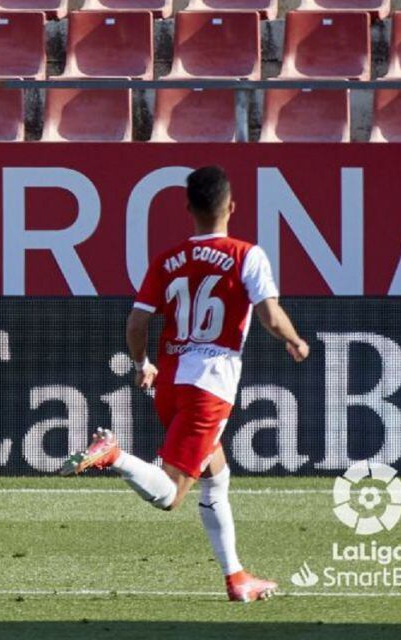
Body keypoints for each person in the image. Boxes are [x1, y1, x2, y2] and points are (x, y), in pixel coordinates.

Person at [60, 165, 310, 602]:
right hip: (210, 385)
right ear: (231, 206)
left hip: (171, 381)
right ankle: (114, 455)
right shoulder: (246, 255)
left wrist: (143, 362)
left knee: (216, 475)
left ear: (188, 208)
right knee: (172, 494)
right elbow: (269, 314)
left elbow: (137, 322)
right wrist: (294, 340)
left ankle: (237, 579)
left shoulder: (168, 259)